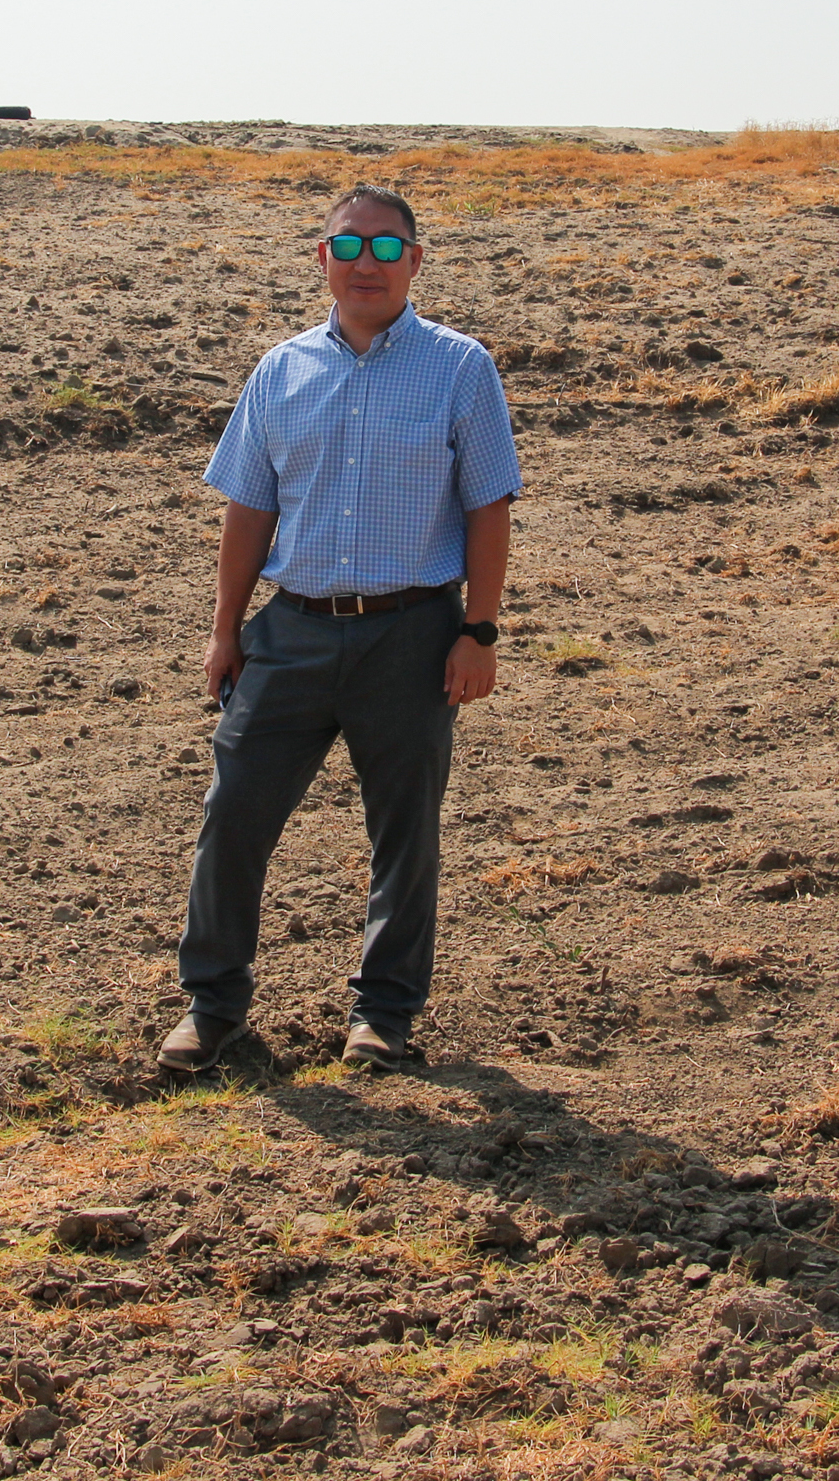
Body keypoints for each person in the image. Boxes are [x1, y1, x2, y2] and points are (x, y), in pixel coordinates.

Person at [160, 184, 521, 1074]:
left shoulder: (460, 367)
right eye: (350, 246)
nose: (369, 264)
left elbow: (488, 507)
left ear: (416, 262)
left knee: (404, 831)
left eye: (389, 249)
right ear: (320, 257)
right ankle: (213, 1007)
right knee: (233, 816)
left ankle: (383, 1016)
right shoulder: (279, 370)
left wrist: (478, 630)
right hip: (291, 633)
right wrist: (225, 630)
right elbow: (248, 508)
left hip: (414, 634)